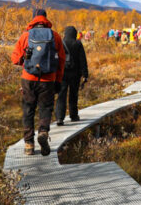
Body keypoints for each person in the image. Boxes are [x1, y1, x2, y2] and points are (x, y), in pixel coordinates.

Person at [11, 9, 66, 156]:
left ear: (34, 19)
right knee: (45, 108)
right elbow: (61, 61)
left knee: (28, 110)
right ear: (46, 19)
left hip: (28, 78)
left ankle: (29, 144)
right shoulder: (55, 36)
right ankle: (43, 131)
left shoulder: (25, 36)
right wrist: (58, 80)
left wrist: (25, 59)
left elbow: (15, 59)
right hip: (48, 79)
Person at [56, 25, 89, 126]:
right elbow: (82, 60)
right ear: (74, 34)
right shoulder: (78, 43)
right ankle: (74, 116)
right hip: (75, 74)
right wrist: (85, 74)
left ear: (65, 33)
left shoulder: (60, 43)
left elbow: (56, 59)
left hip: (63, 74)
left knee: (61, 95)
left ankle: (59, 118)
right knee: (73, 95)